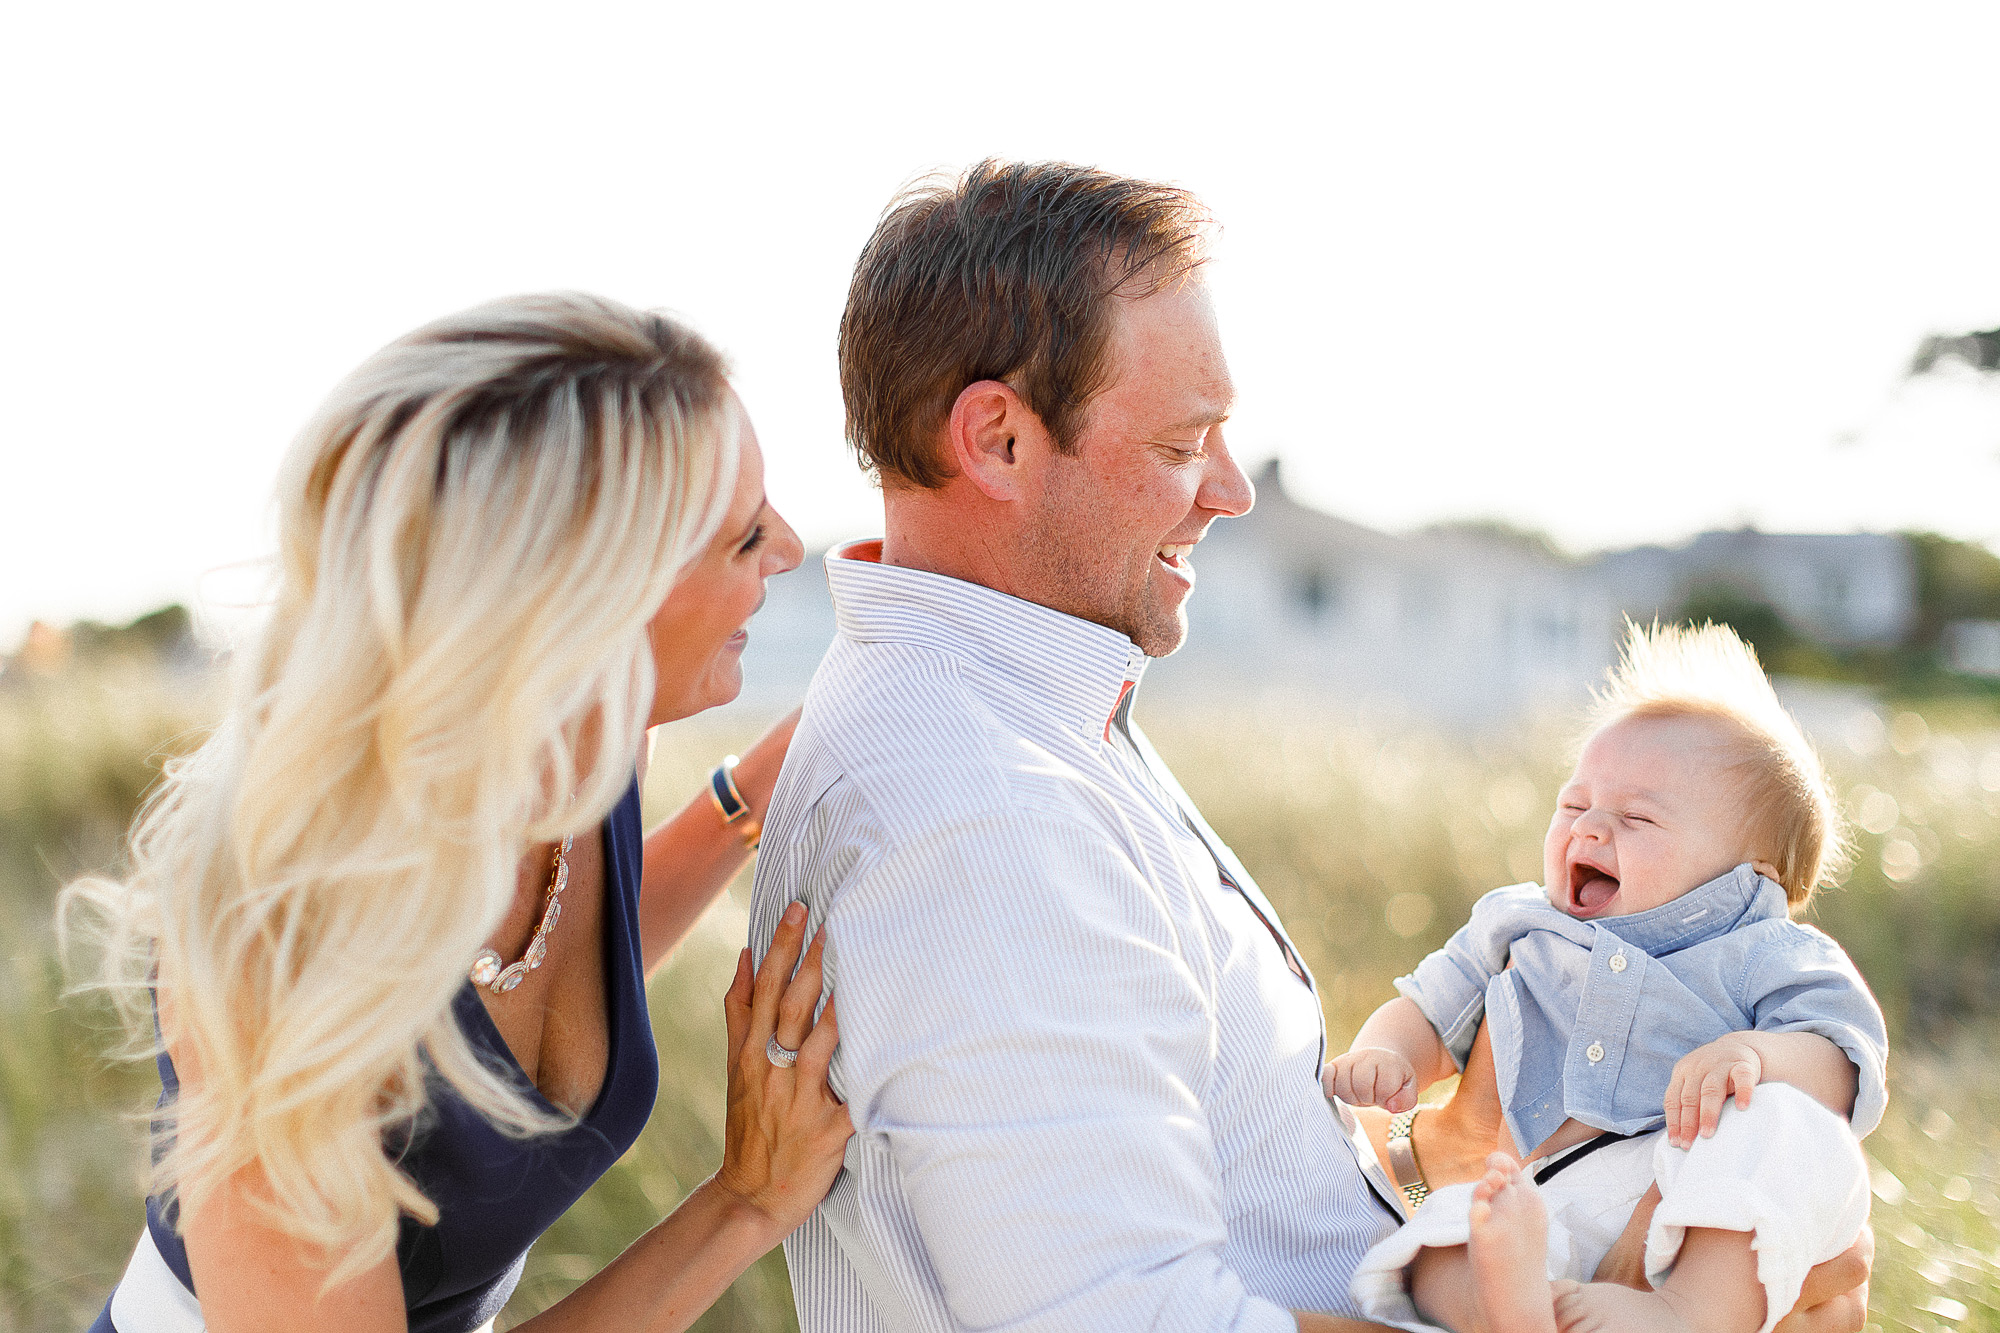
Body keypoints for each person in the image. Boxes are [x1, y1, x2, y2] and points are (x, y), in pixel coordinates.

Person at [747, 159, 1874, 1333]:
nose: (1230, 490)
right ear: (998, 440)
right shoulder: (986, 809)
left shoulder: (1030, 716)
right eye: (1184, 442)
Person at [60, 292, 853, 1333]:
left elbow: (569, 951)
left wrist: (765, 784)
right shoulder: (279, 950)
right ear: (583, 602)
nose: (791, 548)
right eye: (745, 532)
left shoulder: (587, 738)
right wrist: (742, 1205)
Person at [1331, 622, 1884, 1333]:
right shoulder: (1520, 924)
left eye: (1635, 815)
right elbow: (1428, 1006)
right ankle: (1508, 1309)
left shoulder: (1765, 949)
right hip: (1535, 1193)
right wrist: (1390, 1055)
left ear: (1750, 882)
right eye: (1573, 803)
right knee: (1441, 1236)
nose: (1588, 828)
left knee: (1788, 1119)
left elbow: (1846, 1058)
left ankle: (1686, 1311)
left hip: (1688, 1196)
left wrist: (1758, 1056)